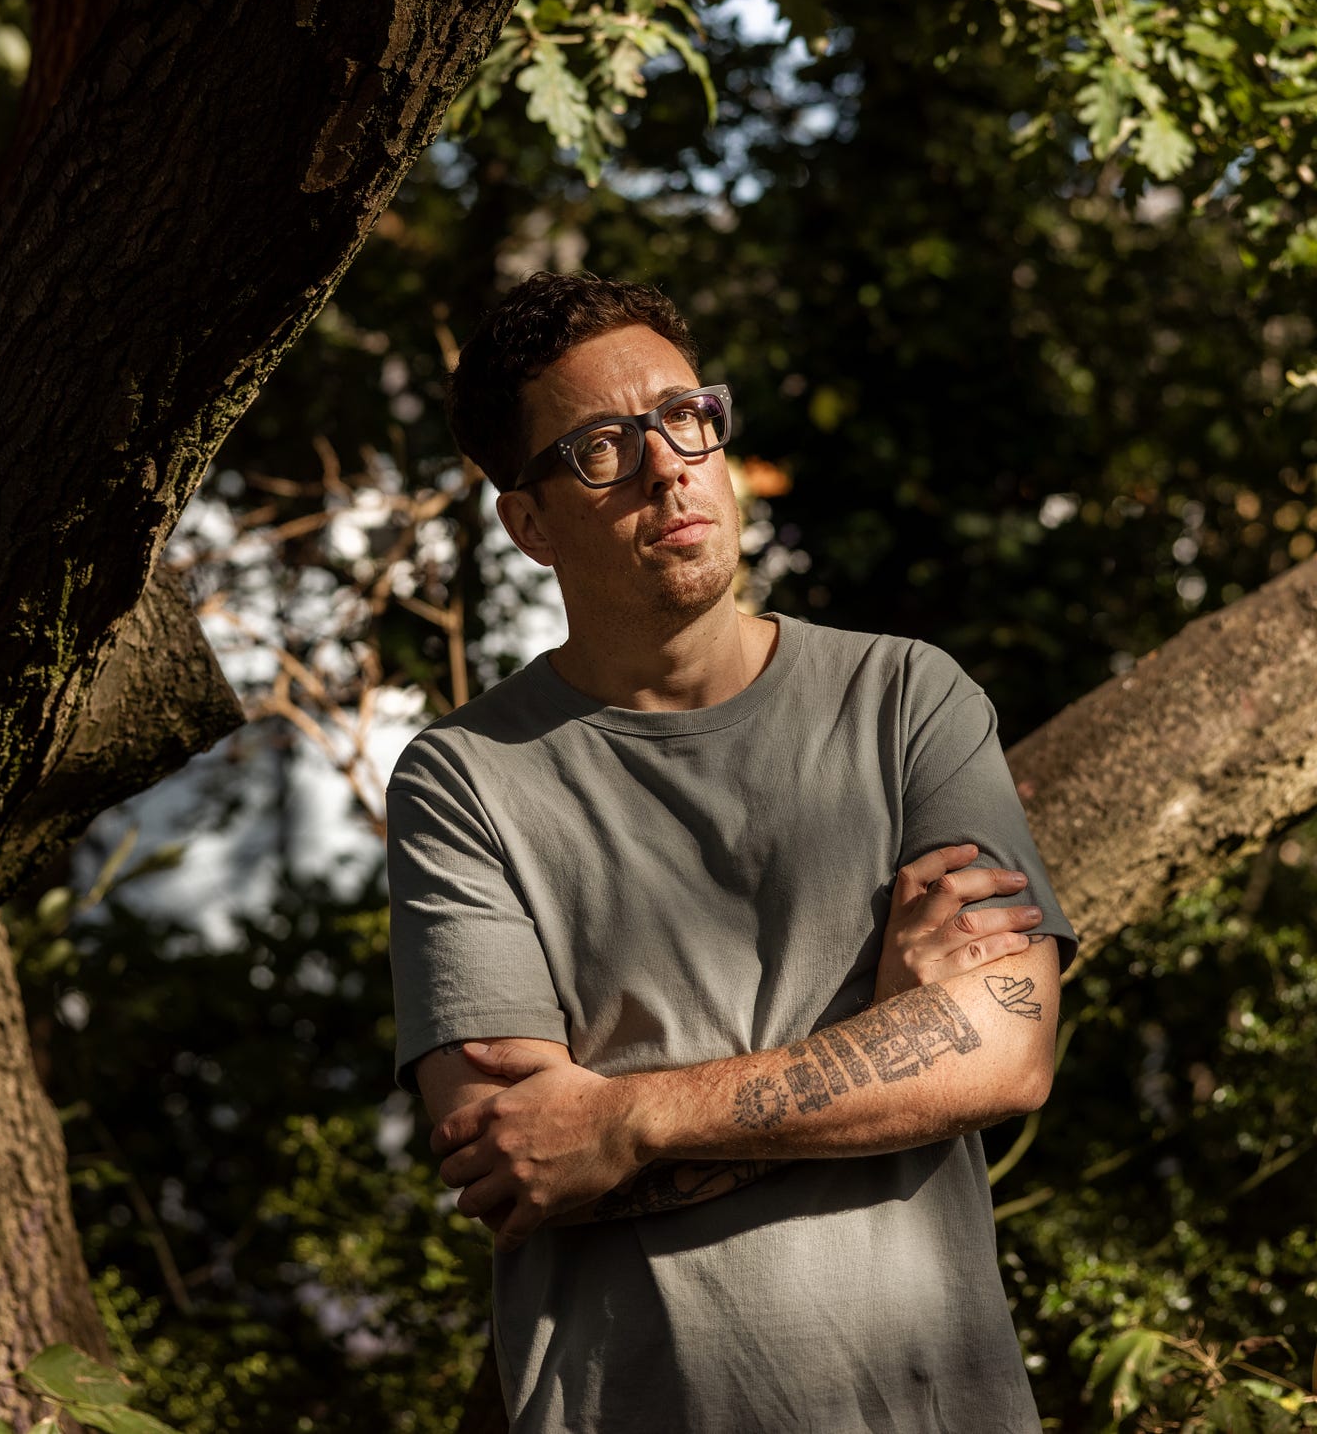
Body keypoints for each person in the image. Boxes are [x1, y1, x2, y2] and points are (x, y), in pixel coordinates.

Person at [385, 270, 1077, 1434]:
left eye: (683, 416)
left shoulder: (905, 697)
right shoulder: (466, 779)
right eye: (601, 447)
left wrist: (629, 1117)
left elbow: (1003, 1051)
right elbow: (517, 1156)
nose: (667, 464)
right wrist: (887, 1046)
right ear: (530, 523)